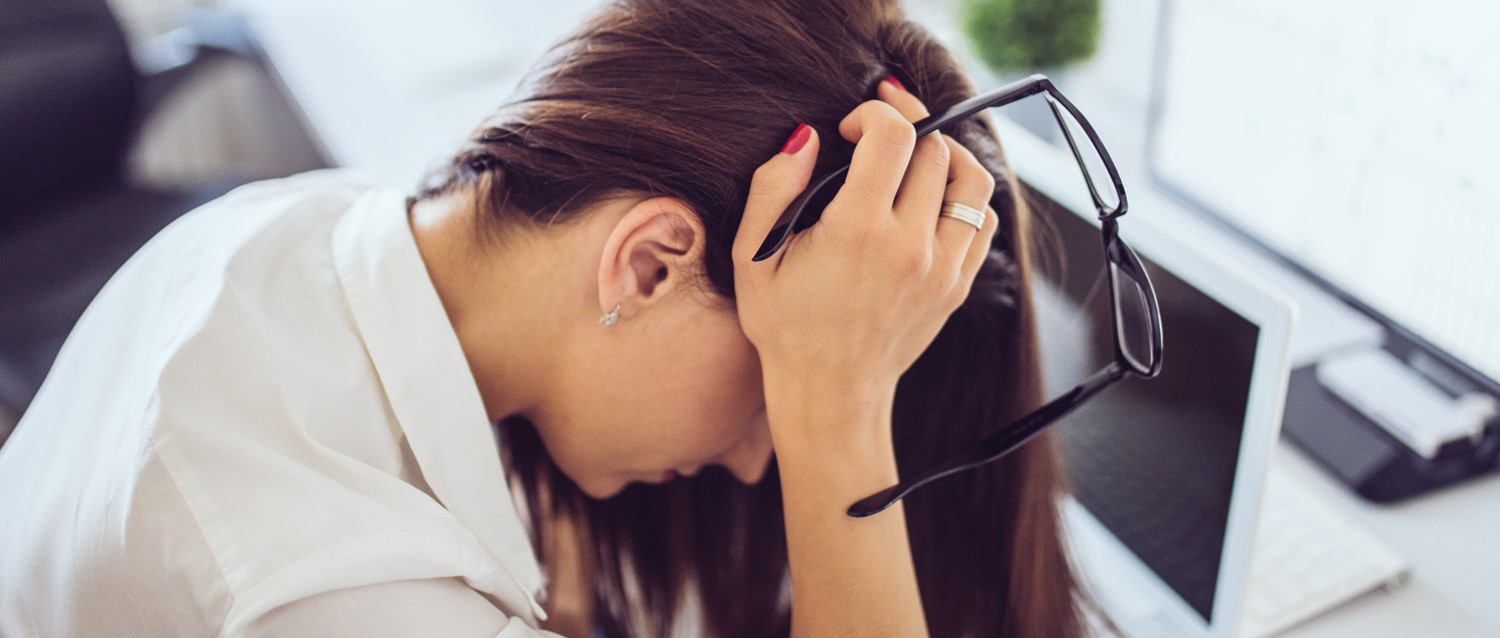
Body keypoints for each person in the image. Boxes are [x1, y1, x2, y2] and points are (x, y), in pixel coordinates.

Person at [0, 0, 1087, 635]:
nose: (767, 458)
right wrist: (837, 410)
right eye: (789, 358)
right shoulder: (329, 585)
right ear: (652, 265)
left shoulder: (296, 225)